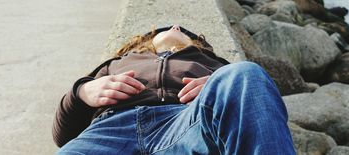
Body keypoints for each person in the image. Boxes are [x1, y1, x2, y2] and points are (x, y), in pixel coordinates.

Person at [53, 25, 296, 154]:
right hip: (110, 130)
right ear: (142, 43)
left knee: (246, 73)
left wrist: (218, 87)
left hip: (184, 125)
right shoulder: (116, 64)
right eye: (165, 29)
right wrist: (81, 93)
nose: (176, 27)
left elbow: (252, 112)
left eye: (185, 32)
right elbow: (62, 137)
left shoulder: (212, 64)